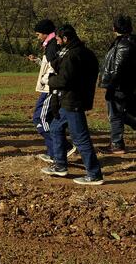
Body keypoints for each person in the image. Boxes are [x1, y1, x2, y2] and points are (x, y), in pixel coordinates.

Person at [43, 24, 104, 185]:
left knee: (80, 137)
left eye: (58, 39)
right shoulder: (84, 52)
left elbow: (64, 79)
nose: (56, 42)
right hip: (73, 100)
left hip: (72, 100)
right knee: (56, 128)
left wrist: (49, 80)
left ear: (65, 38)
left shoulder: (72, 55)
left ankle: (94, 174)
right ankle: (60, 165)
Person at [98, 15, 136, 154]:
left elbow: (118, 68)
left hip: (120, 86)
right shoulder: (125, 42)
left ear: (115, 27)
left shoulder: (124, 44)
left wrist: (111, 86)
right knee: (123, 112)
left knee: (115, 114)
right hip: (124, 85)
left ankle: (117, 144)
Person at [29, 19, 61, 162]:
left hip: (50, 87)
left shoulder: (52, 45)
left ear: (45, 33)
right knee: (48, 118)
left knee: (40, 117)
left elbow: (56, 67)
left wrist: (47, 81)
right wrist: (37, 61)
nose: (37, 37)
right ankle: (53, 150)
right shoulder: (51, 44)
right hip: (49, 86)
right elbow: (49, 64)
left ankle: (60, 148)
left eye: (38, 34)